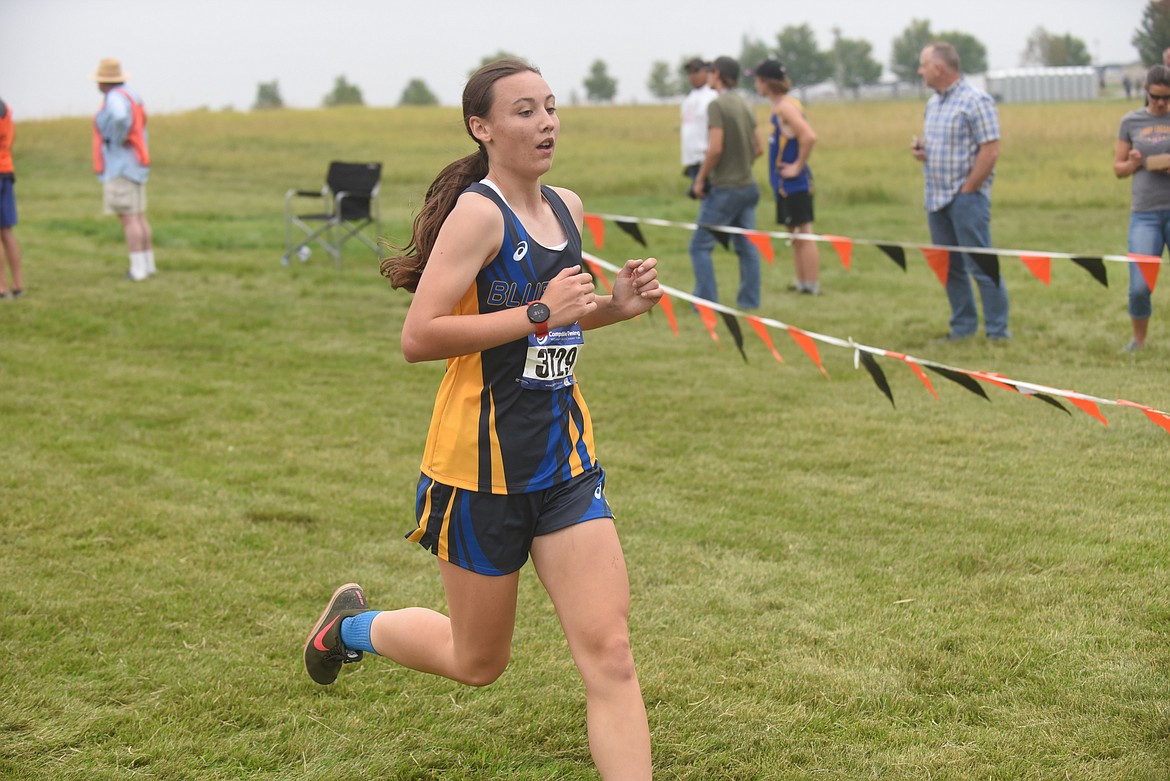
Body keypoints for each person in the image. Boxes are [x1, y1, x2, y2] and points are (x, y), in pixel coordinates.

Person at [304, 59, 660, 780]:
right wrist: (537, 312)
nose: (547, 122)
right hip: (476, 473)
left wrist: (613, 306)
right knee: (478, 661)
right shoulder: (477, 213)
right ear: (483, 127)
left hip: (563, 464)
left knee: (611, 654)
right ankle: (348, 629)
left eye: (552, 108)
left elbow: (559, 324)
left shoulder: (567, 206)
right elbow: (420, 336)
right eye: (525, 110)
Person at [911, 42, 1009, 341]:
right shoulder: (933, 103)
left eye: (923, 65)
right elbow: (944, 146)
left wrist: (968, 190)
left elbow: (990, 151)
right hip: (936, 199)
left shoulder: (976, 100)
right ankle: (963, 328)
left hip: (966, 199)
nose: (920, 71)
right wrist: (922, 152)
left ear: (938, 68)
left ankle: (997, 332)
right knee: (949, 268)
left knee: (980, 266)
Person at [689, 55, 764, 309]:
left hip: (725, 189)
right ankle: (749, 302)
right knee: (746, 246)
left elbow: (715, 149)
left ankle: (706, 303)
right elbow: (759, 147)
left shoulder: (717, 105)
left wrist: (701, 179)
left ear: (718, 74)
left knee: (699, 246)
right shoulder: (745, 103)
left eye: (711, 71)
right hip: (749, 186)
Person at [1114, 64, 1170, 352]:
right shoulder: (1131, 121)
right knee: (1139, 285)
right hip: (1145, 215)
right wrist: (1135, 163)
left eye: (1166, 98)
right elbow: (1118, 169)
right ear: (1146, 91)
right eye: (1156, 96)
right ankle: (1139, 340)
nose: (1161, 103)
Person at [753, 59, 821, 295]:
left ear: (766, 82)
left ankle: (811, 284)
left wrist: (797, 166)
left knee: (804, 232)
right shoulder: (782, 105)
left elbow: (808, 136)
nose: (755, 85)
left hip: (795, 182)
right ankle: (802, 282)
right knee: (794, 233)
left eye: (757, 80)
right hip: (784, 184)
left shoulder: (785, 107)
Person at [91, 57, 155, 282]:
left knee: (128, 219)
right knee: (138, 216)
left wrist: (117, 138)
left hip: (121, 166)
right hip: (136, 163)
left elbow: (119, 117)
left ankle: (137, 270)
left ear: (104, 82)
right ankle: (147, 265)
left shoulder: (114, 98)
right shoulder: (131, 94)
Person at [680, 57, 716, 195]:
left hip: (705, 157)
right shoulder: (688, 99)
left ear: (706, 72)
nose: (692, 76)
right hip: (692, 158)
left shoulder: (711, 96)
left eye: (696, 71)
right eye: (689, 72)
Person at [0, 97, 24, 299]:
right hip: (6, 171)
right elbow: (11, 137)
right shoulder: (5, 108)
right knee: (7, 231)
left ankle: (1, 287)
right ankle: (18, 284)